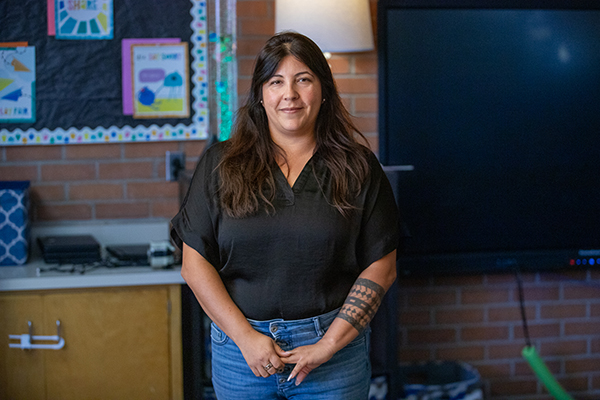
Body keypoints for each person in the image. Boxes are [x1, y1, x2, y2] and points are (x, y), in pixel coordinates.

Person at [170, 31, 399, 400]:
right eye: (276, 81)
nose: (289, 94)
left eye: (303, 79)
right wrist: (245, 338)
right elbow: (194, 265)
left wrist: (328, 345)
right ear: (260, 95)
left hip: (333, 356)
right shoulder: (220, 164)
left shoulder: (358, 167)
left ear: (323, 90)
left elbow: (382, 267)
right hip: (240, 354)